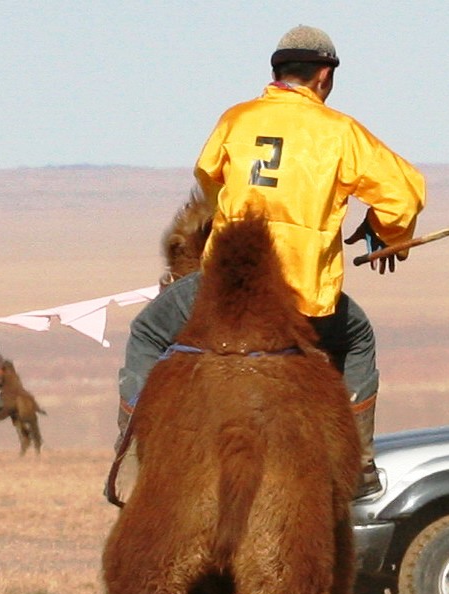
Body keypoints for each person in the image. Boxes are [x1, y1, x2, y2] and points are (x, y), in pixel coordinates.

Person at [117, 24, 426, 499]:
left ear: (277, 72)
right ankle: (361, 462)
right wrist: (387, 232)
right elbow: (404, 193)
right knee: (358, 338)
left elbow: (209, 178)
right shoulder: (340, 132)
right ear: (323, 76)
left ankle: (131, 438)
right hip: (303, 295)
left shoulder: (236, 120)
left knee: (147, 333)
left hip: (228, 286)